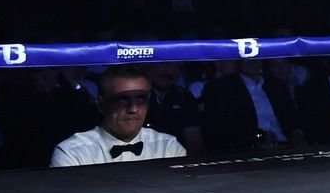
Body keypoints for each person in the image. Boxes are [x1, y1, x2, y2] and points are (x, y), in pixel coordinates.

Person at [50, 66, 186, 166]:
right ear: (101, 105)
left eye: (140, 99)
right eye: (122, 99)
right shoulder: (72, 153)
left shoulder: (169, 147)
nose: (133, 109)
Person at [201, 59, 304, 152]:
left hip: (286, 146)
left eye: (255, 57)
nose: (252, 62)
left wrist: (297, 133)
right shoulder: (222, 88)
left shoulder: (276, 85)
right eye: (247, 58)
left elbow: (294, 117)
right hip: (248, 149)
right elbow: (223, 126)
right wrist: (260, 137)